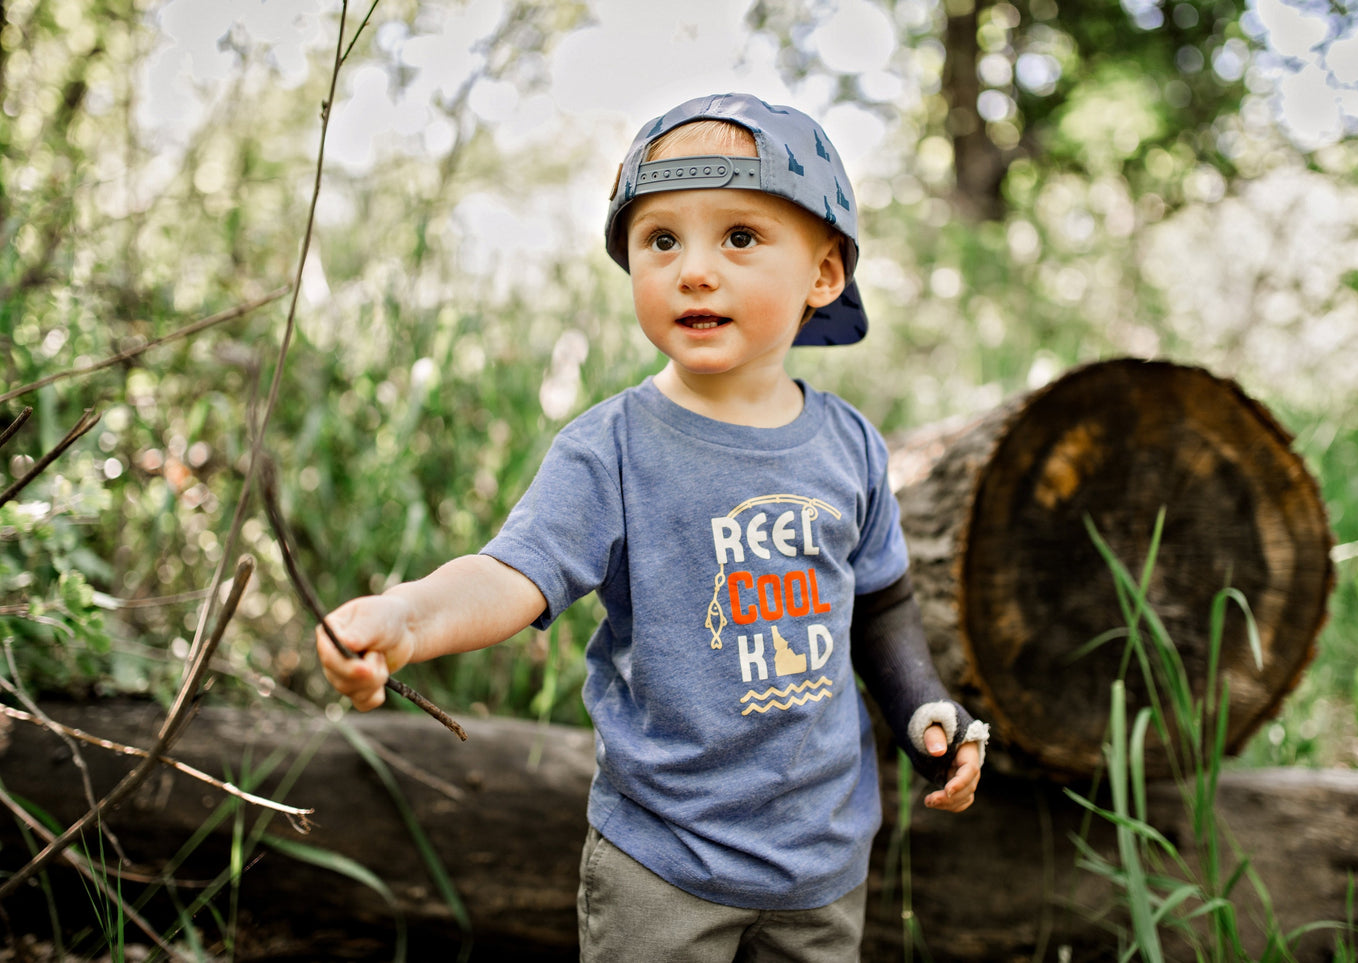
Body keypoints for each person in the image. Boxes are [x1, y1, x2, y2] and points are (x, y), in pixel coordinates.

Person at [317, 92, 989, 962]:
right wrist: (406, 615)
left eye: (739, 237)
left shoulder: (850, 445)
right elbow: (512, 574)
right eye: (660, 240)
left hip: (823, 863)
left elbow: (881, 605)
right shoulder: (612, 449)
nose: (694, 270)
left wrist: (922, 709)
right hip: (663, 865)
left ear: (824, 274)